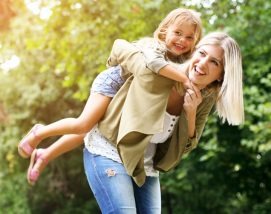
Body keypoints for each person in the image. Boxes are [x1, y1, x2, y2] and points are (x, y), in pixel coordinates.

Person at [27, 31, 244, 213]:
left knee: (85, 125)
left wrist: (190, 112)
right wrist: (124, 61)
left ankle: (45, 152)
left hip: (144, 166)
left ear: (221, 76)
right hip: (109, 149)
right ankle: (40, 137)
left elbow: (186, 147)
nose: (202, 63)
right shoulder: (161, 69)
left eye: (214, 62)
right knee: (85, 123)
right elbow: (124, 49)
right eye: (202, 53)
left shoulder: (204, 98)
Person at [19, 7, 202, 177]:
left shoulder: (186, 62)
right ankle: (39, 133)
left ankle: (45, 154)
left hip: (128, 95)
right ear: (164, 31)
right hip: (114, 84)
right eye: (177, 33)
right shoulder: (154, 48)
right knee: (84, 124)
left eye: (189, 37)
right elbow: (155, 65)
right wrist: (184, 79)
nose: (182, 40)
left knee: (91, 130)